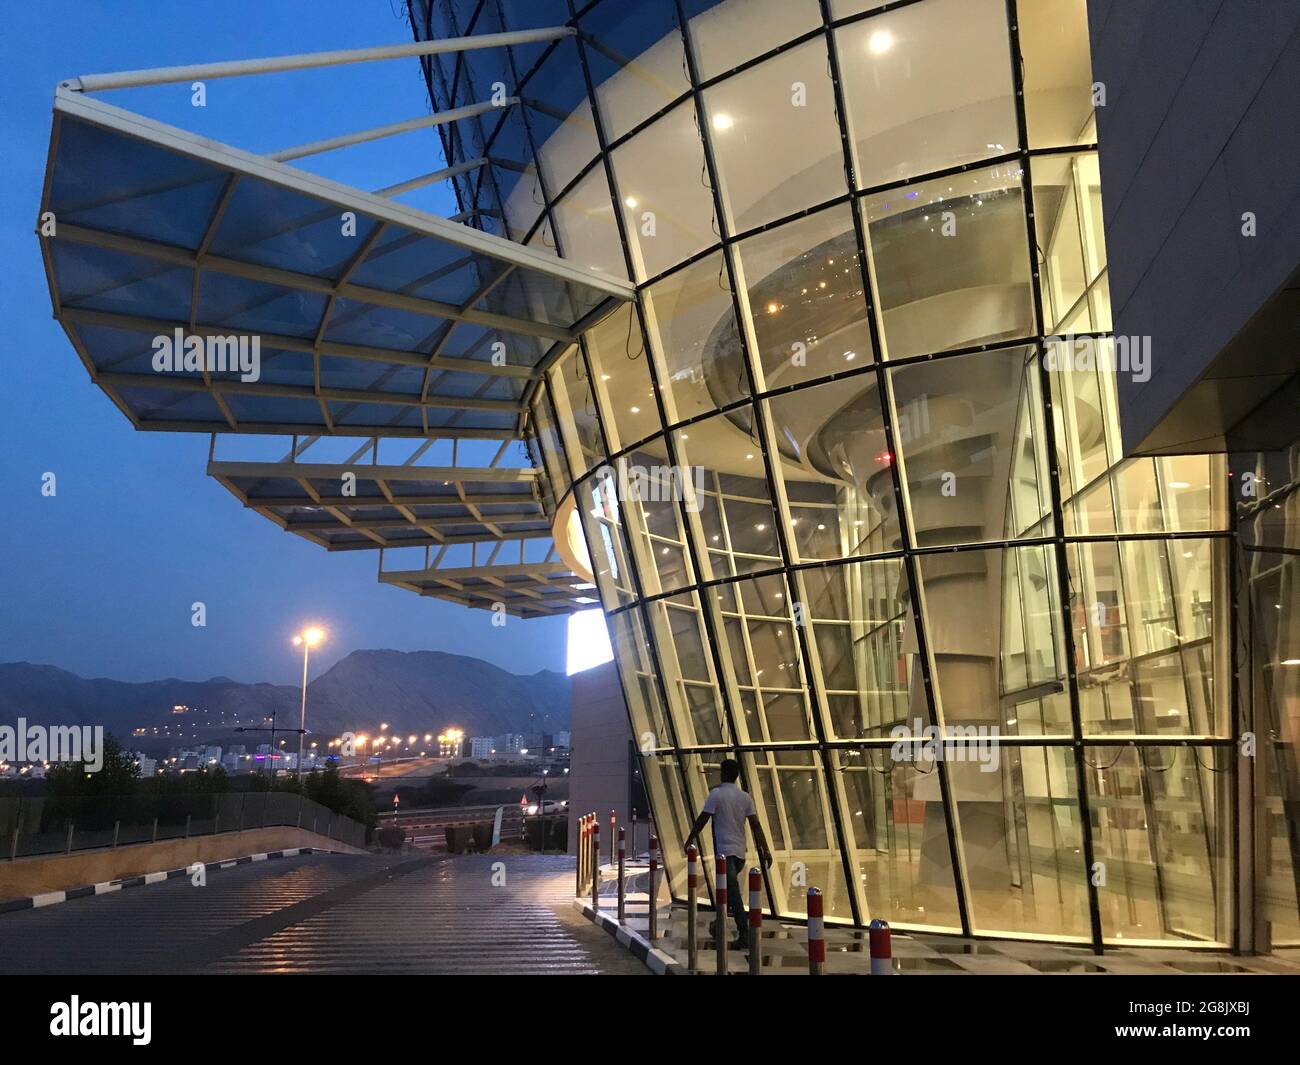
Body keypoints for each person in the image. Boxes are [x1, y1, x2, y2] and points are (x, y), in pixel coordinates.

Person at [684, 758, 772, 950]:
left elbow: (703, 819)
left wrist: (690, 839)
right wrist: (765, 849)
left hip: (725, 854)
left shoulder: (716, 795)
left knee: (731, 892)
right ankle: (719, 924)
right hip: (740, 853)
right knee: (726, 890)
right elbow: (756, 825)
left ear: (723, 773)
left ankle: (744, 932)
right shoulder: (745, 797)